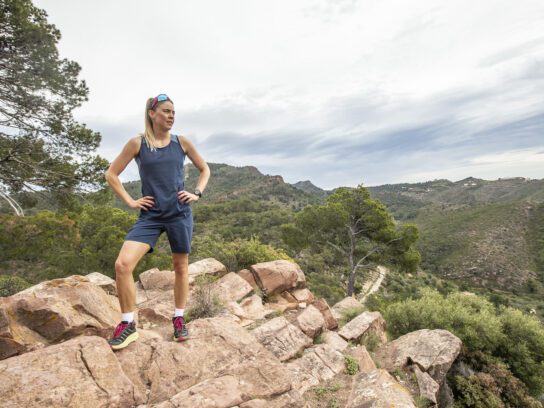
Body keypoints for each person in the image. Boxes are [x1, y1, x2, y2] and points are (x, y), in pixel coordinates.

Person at [104, 93, 210, 350]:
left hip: (179, 213)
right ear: (152, 114)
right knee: (123, 264)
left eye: (173, 112)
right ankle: (128, 324)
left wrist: (196, 193)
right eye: (165, 111)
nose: (171, 116)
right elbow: (111, 174)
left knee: (181, 267)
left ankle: (178, 318)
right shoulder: (137, 144)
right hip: (150, 215)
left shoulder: (181, 142)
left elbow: (205, 169)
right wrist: (131, 201)